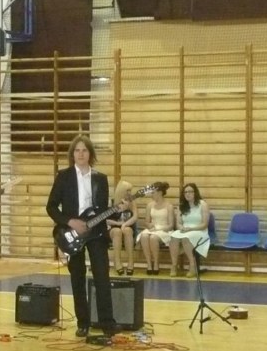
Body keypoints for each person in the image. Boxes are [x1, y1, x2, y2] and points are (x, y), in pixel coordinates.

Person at [46, 135, 120, 339]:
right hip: (72, 234)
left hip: (96, 234)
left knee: (102, 277)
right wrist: (70, 222)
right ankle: (83, 323)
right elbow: (51, 207)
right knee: (77, 278)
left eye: (84, 150)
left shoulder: (100, 179)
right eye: (77, 150)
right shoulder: (64, 176)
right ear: (72, 154)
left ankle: (107, 323)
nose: (81, 154)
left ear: (90, 154)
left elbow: (102, 211)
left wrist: (118, 210)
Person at [169, 183, 210, 277]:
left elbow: (204, 224)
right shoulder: (181, 205)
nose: (188, 194)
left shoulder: (203, 204)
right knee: (173, 237)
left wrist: (191, 229)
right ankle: (174, 265)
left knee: (186, 238)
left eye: (190, 192)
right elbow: (178, 223)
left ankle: (192, 265)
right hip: (185, 229)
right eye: (186, 192)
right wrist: (181, 228)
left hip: (199, 230)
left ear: (195, 193)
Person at [136, 182, 174, 275]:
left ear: (160, 193)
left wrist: (158, 229)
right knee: (144, 236)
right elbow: (146, 222)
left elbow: (171, 225)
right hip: (152, 229)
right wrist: (149, 225)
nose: (151, 194)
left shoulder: (169, 206)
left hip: (164, 230)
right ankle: (149, 264)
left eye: (153, 192)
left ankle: (156, 263)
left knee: (153, 238)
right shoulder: (150, 205)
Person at [106, 180, 138, 276]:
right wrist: (119, 223)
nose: (129, 193)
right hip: (113, 228)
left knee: (127, 230)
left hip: (127, 226)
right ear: (121, 191)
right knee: (117, 231)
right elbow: (106, 220)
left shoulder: (132, 202)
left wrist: (125, 224)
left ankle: (130, 262)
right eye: (127, 191)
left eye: (130, 191)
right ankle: (117, 262)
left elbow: (135, 217)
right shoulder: (111, 202)